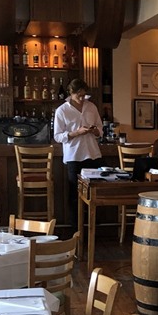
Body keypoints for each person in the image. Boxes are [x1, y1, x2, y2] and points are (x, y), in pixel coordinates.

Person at [53, 78, 102, 234]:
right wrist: (76, 133)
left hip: (93, 154)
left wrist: (95, 131)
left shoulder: (91, 107)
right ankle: (76, 229)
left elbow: (100, 128)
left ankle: (93, 228)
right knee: (75, 194)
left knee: (93, 193)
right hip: (73, 156)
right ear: (71, 93)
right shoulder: (62, 110)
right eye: (78, 95)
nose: (82, 98)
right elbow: (57, 136)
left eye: (83, 95)